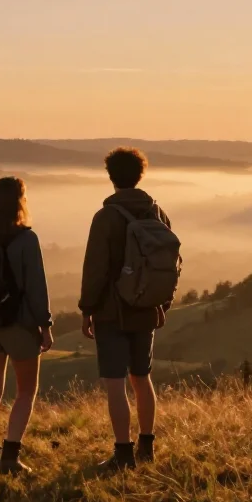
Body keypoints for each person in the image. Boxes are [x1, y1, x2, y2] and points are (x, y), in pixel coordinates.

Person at [79, 147, 173, 470]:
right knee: (142, 378)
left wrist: (87, 309)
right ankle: (147, 446)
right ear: (140, 175)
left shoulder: (105, 218)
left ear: (111, 177)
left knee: (115, 383)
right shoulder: (157, 214)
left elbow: (95, 269)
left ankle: (123, 453)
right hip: (146, 309)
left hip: (111, 312)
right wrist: (162, 303)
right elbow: (169, 265)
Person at [0, 176, 53, 475]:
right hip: (19, 325)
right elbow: (36, 286)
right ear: (20, 201)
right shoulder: (27, 239)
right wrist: (45, 325)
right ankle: (11, 457)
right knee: (26, 391)